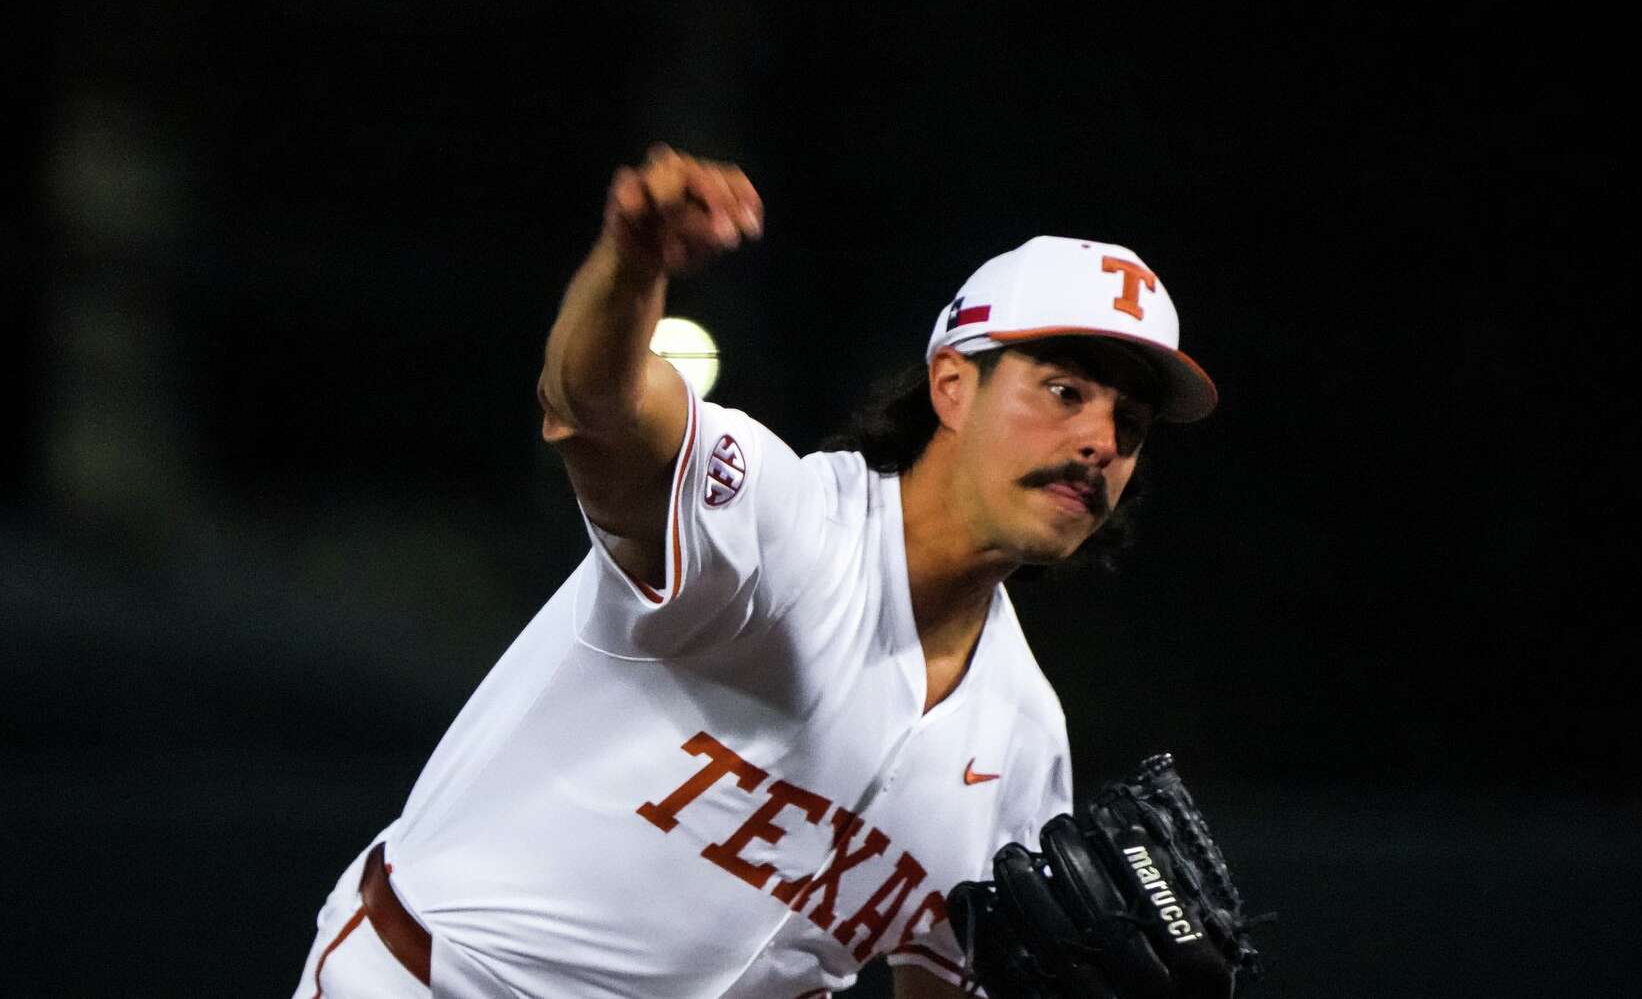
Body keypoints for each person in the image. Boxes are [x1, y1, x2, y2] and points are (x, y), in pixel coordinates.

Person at [292, 144, 1217, 999]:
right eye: (1064, 390)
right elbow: (594, 407)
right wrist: (631, 264)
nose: (1098, 441)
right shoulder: (779, 522)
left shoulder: (1024, 738)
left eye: (1129, 427)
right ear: (951, 385)